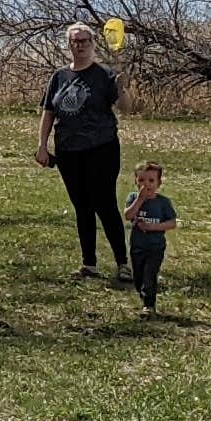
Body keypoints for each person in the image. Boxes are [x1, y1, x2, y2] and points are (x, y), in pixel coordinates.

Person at [34, 22, 125, 279]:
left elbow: (126, 108)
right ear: (70, 45)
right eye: (76, 41)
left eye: (86, 41)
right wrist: (42, 145)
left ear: (93, 44)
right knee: (82, 206)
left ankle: (123, 263)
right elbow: (48, 112)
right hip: (69, 151)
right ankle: (89, 265)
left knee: (105, 203)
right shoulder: (59, 76)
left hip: (102, 148)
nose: (81, 45)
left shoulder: (105, 75)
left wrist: (124, 87)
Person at [125, 162, 177, 312]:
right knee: (138, 277)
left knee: (150, 274)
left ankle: (149, 304)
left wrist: (153, 227)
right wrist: (140, 200)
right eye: (141, 180)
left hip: (155, 246)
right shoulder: (133, 198)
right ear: (135, 181)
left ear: (158, 183)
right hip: (137, 245)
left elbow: (172, 223)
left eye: (151, 181)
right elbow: (128, 215)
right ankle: (143, 294)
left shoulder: (163, 202)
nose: (146, 185)